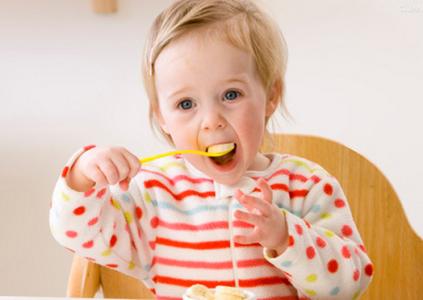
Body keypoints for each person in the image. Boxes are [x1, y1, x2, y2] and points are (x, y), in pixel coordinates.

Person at [49, 0, 373, 299]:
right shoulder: (153, 194)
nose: (211, 121)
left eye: (231, 95)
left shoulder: (307, 186)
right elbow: (75, 233)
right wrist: (81, 176)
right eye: (186, 103)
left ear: (271, 96)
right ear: (162, 117)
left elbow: (351, 283)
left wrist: (285, 236)